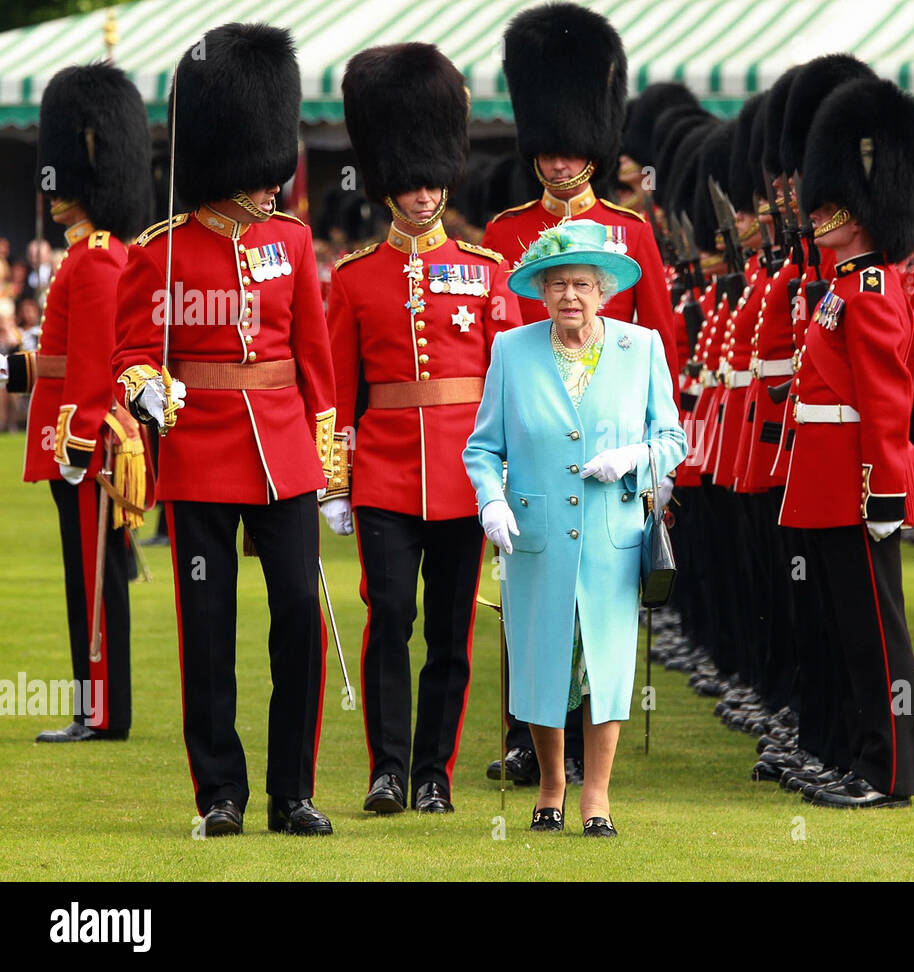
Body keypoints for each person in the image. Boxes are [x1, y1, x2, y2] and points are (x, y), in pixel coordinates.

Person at [111, 22, 337, 838]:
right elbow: (132, 350)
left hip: (281, 454)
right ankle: (221, 793)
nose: (277, 182)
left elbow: (314, 359)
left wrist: (329, 451)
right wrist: (146, 393)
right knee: (208, 635)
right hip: (201, 451)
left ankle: (293, 791)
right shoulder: (159, 253)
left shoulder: (292, 241)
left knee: (297, 625)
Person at [478, 0, 679, 785]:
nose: (559, 164)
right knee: (525, 611)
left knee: (596, 619)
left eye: (571, 151)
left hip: (611, 454)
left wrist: (655, 465)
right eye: (548, 152)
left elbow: (660, 336)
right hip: (527, 453)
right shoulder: (504, 233)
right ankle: (527, 742)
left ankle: (586, 772)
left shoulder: (630, 232)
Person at [325, 42, 521, 816]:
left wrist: (505, 477)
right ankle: (388, 770)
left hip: (467, 476)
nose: (422, 193)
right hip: (383, 474)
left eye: (433, 178)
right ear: (386, 184)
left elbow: (505, 389)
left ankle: (434, 771)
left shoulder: (487, 269)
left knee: (448, 630)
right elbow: (339, 392)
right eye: (409, 181)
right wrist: (334, 482)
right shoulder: (355, 276)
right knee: (391, 618)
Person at [463, 219, 686, 836]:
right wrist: (491, 502)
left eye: (582, 285)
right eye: (558, 284)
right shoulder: (513, 350)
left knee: (607, 666)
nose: (570, 297)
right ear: (541, 290)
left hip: (612, 538)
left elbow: (673, 439)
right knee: (543, 662)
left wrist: (634, 457)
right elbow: (482, 448)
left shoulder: (640, 348)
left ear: (603, 289)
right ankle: (550, 786)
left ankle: (598, 797)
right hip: (534, 538)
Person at [778, 73, 914, 810]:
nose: (817, 214)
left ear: (866, 211)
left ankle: (890, 771)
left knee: (878, 637)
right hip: (826, 478)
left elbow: (885, 403)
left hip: (856, 480)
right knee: (849, 635)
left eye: (833, 203)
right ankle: (856, 757)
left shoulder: (871, 290)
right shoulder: (845, 286)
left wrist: (885, 490)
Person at [1, 62, 152, 742]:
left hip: (83, 447)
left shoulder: (94, 259)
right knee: (92, 574)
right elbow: (64, 359)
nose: (53, 192)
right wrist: (12, 370)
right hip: (79, 436)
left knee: (92, 579)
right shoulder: (88, 254)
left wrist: (79, 443)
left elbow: (93, 366)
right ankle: (98, 708)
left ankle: (101, 712)